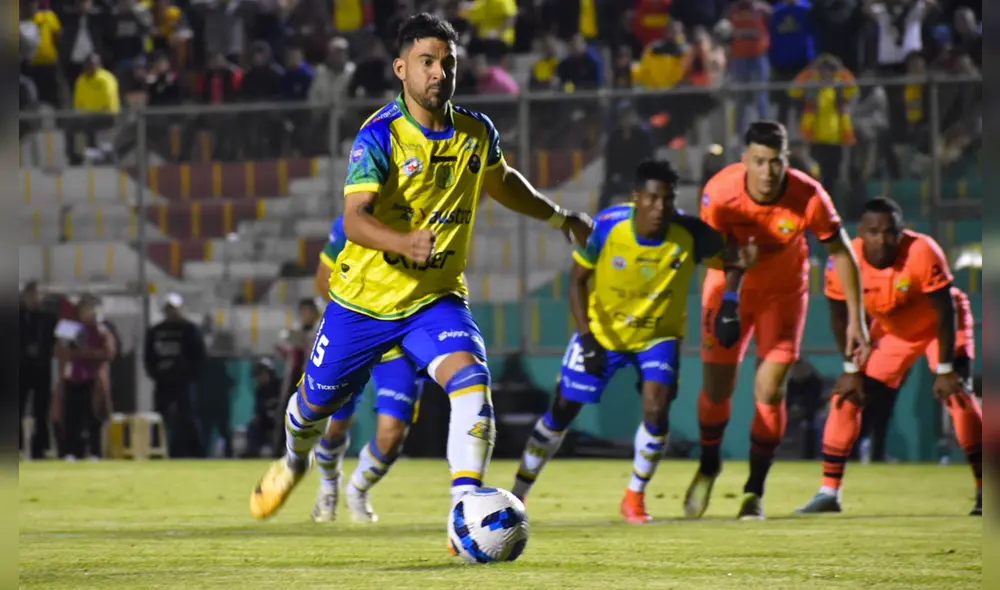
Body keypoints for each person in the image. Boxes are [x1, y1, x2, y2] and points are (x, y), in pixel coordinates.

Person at [248, 14, 593, 544]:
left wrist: (560, 217)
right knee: (312, 409)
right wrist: (402, 242)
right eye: (427, 62)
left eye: (447, 63)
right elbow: (355, 219)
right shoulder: (379, 135)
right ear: (401, 69)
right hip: (362, 304)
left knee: (472, 384)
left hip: (435, 299)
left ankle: (464, 517)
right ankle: (295, 459)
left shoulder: (476, 132)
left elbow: (502, 181)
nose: (438, 73)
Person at [510, 160, 756, 523]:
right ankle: (518, 493)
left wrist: (730, 304)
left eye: (667, 200)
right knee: (561, 410)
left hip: (657, 336)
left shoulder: (690, 233)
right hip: (603, 334)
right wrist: (587, 339)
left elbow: (735, 258)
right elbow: (577, 281)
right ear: (636, 198)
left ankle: (634, 497)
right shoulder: (607, 227)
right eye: (652, 199)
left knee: (657, 410)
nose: (660, 208)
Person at [687, 120, 869, 520]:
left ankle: (754, 491)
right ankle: (709, 464)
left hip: (782, 297)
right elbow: (708, 254)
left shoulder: (808, 195)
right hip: (727, 291)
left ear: (787, 160)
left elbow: (842, 252)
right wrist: (734, 278)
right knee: (717, 391)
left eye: (775, 162)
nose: (768, 172)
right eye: (759, 161)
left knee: (769, 392)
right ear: (744, 160)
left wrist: (857, 319)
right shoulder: (720, 191)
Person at [796, 197, 983, 516]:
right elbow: (839, 316)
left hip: (939, 327)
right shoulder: (845, 260)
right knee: (845, 397)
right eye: (873, 232)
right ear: (860, 232)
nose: (882, 239)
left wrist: (946, 368)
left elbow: (944, 311)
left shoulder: (922, 250)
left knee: (958, 395)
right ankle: (828, 492)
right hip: (893, 330)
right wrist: (850, 368)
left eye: (890, 232)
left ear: (901, 232)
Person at [308, 214, 424, 523]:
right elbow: (323, 279)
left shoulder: (431, 215)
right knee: (334, 425)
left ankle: (357, 489)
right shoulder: (351, 221)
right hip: (356, 335)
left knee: (393, 434)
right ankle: (328, 484)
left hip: (400, 340)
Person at [51, 295, 116, 460]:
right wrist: (73, 353)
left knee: (93, 415)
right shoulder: (69, 327)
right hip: (71, 377)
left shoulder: (101, 330)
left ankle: (95, 451)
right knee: (71, 415)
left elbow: (108, 352)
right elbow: (59, 350)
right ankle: (71, 451)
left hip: (92, 378)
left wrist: (87, 353)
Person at [144, 293, 206, 457]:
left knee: (188, 416)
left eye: (174, 309)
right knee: (160, 417)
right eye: (169, 309)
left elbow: (199, 355)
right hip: (163, 381)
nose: (172, 312)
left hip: (184, 381)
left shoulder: (190, 329)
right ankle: (158, 450)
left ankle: (196, 452)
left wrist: (190, 375)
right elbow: (149, 356)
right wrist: (156, 374)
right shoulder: (155, 331)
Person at [20, 282, 57, 459]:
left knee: (41, 409)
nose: (34, 298)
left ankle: (40, 448)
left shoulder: (49, 317)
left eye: (37, 295)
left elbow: (58, 338)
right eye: (31, 295)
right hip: (20, 368)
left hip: (42, 368)